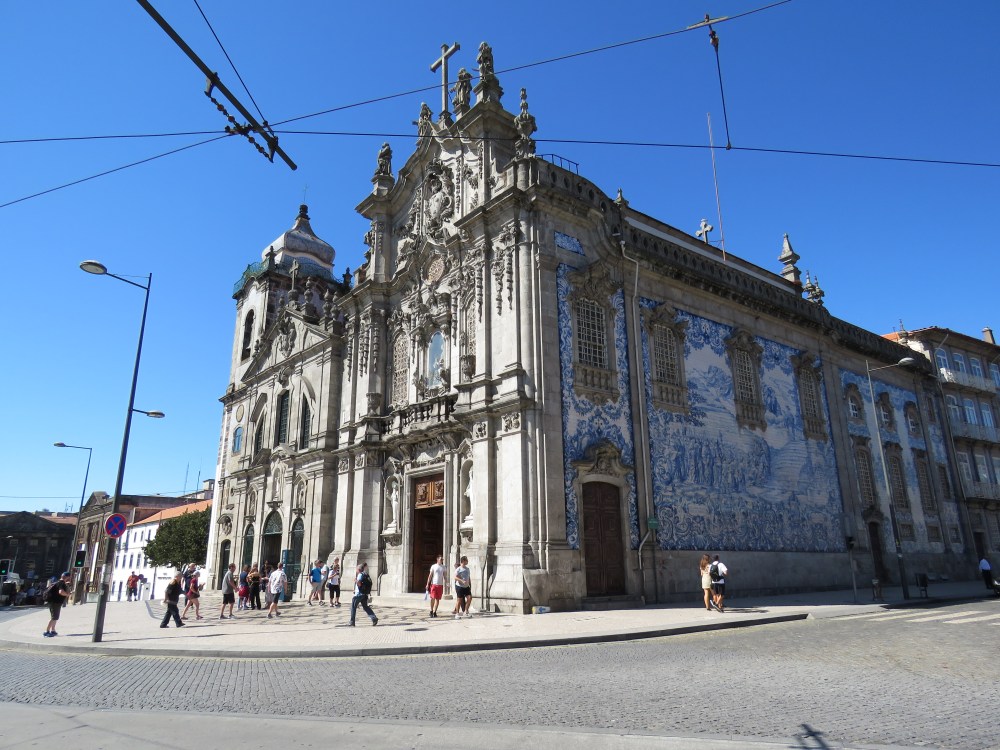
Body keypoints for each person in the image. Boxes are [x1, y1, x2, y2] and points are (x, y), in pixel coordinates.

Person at [43, 571, 72, 637]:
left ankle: (53, 630)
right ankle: (46, 631)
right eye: (69, 577)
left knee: (55, 617)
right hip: (55, 602)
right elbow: (61, 592)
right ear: (67, 577)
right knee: (54, 617)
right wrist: (67, 594)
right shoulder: (61, 583)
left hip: (55, 602)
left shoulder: (57, 582)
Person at [349, 562, 378, 627]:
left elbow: (359, 584)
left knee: (353, 607)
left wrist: (356, 580)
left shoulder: (360, 575)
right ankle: (374, 618)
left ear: (359, 569)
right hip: (364, 594)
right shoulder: (365, 574)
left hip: (359, 594)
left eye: (356, 569)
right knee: (365, 607)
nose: (356, 570)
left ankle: (352, 622)